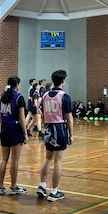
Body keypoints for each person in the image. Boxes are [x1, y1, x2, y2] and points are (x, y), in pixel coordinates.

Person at [37, 69, 73, 201]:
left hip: (48, 127)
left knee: (47, 158)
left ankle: (42, 185)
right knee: (58, 160)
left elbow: (41, 113)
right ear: (63, 81)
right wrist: (71, 134)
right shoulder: (64, 96)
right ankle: (54, 192)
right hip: (59, 127)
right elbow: (69, 118)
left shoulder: (45, 95)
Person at [0, 76, 28, 195]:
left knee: (4, 159)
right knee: (15, 160)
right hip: (14, 129)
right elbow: (22, 118)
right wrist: (25, 133)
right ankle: (13, 186)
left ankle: (1, 186)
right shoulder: (19, 97)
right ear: (17, 84)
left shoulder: (3, 97)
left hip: (4, 128)